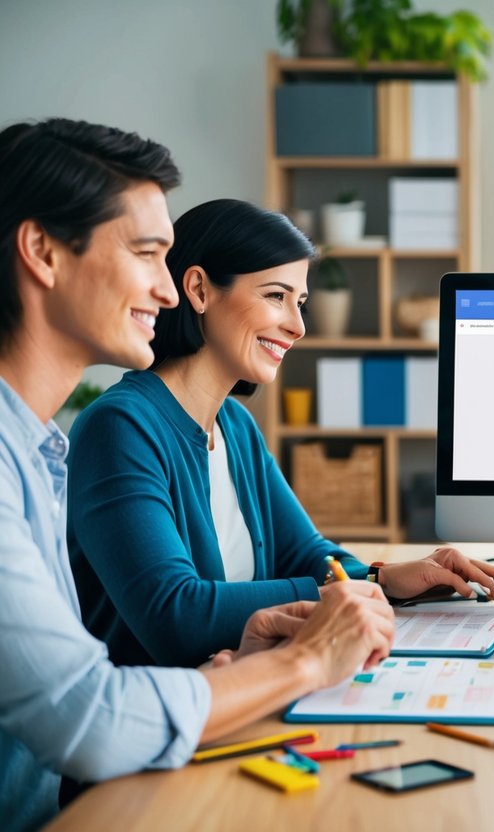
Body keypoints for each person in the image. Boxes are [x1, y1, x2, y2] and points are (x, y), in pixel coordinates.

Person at [0, 118, 396, 832]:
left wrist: (237, 665)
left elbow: (82, 689)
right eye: (148, 255)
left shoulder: (34, 452)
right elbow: (92, 711)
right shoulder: (100, 431)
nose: (166, 288)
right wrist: (303, 660)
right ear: (43, 252)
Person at [67, 198, 494, 669]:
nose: (298, 326)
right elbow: (177, 617)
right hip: (161, 723)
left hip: (240, 691)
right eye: (275, 296)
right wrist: (346, 593)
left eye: (299, 303)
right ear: (199, 289)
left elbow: (305, 553)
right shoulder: (119, 428)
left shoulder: (234, 425)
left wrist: (387, 578)